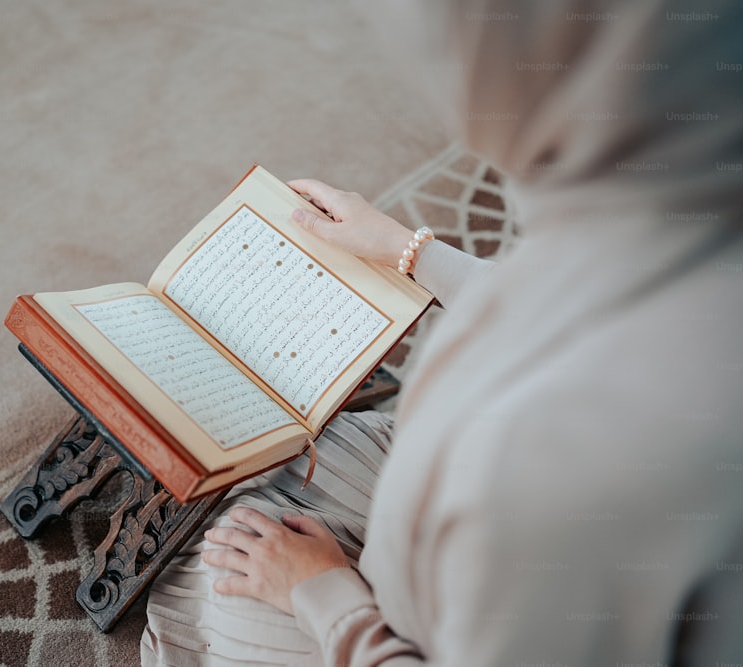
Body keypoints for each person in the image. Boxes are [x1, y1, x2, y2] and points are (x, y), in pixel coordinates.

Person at [141, 1, 743, 664]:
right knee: (280, 449)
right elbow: (566, 298)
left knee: (223, 558)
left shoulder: (547, 453)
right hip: (480, 542)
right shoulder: (686, 204)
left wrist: (327, 597)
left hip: (448, 610)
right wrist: (407, 248)